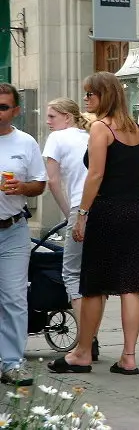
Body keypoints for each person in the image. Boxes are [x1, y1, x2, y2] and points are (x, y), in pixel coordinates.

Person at [48, 71, 139, 376]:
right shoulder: (134, 129)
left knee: (93, 286)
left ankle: (81, 353)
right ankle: (129, 357)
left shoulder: (101, 129)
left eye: (90, 94)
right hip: (134, 211)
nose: (85, 99)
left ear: (104, 96)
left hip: (106, 210)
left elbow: (95, 175)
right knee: (130, 286)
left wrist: (82, 214)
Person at [42, 99, 105, 359]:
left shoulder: (57, 139)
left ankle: (86, 342)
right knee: (98, 279)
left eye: (52, 116)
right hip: (105, 207)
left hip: (81, 206)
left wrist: (71, 211)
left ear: (67, 117)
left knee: (73, 274)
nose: (48, 121)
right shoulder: (91, 134)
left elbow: (53, 181)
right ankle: (92, 337)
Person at [0, 83, 47, 386]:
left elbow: (40, 184)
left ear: (15, 111)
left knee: (14, 298)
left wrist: (23, 188)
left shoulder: (25, 142)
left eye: (4, 107)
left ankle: (12, 362)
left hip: (13, 228)